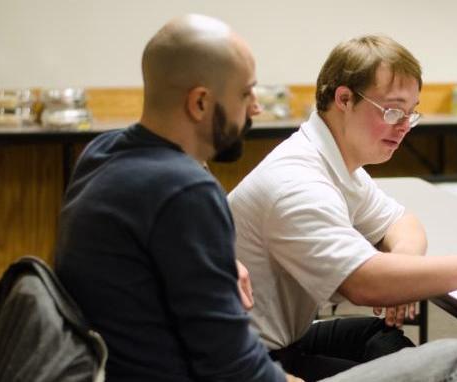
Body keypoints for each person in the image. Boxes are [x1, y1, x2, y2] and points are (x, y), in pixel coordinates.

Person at [228, 34, 457, 381]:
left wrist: (402, 271)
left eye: (410, 114)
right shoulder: (297, 182)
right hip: (254, 363)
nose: (403, 127)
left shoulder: (333, 160)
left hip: (279, 343)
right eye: (393, 110)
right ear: (344, 98)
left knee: (382, 338)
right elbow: (364, 283)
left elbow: (401, 222)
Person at [54, 14, 292, 381]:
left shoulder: (102, 152)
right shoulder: (185, 190)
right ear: (199, 103)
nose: (255, 108)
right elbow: (235, 370)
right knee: (414, 366)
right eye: (245, 94)